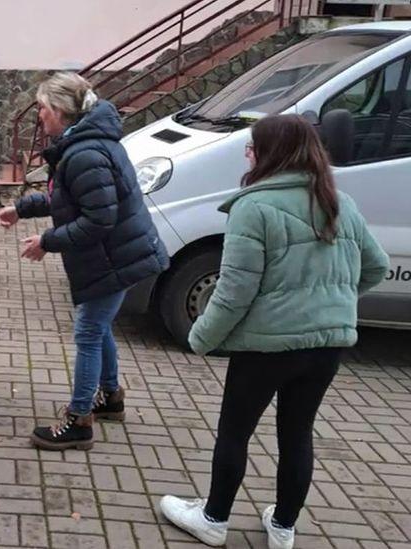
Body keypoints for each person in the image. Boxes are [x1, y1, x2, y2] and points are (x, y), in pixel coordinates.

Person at [160, 115, 389, 549]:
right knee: (297, 433)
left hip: (266, 347)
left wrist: (200, 338)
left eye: (252, 147)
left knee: (235, 431)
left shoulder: (253, 207)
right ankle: (283, 528)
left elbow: (234, 290)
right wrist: (332, 301)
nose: (247, 154)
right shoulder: (342, 202)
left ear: (271, 155)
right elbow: (374, 266)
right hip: (327, 346)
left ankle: (213, 519)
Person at [0, 72, 168, 451]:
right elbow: (70, 200)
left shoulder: (85, 152)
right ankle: (109, 397)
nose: (39, 115)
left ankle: (79, 421)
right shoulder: (86, 143)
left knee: (88, 332)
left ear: (59, 111)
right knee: (99, 325)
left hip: (115, 258)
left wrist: (47, 240)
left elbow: (98, 219)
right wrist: (21, 208)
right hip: (117, 255)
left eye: (42, 108)